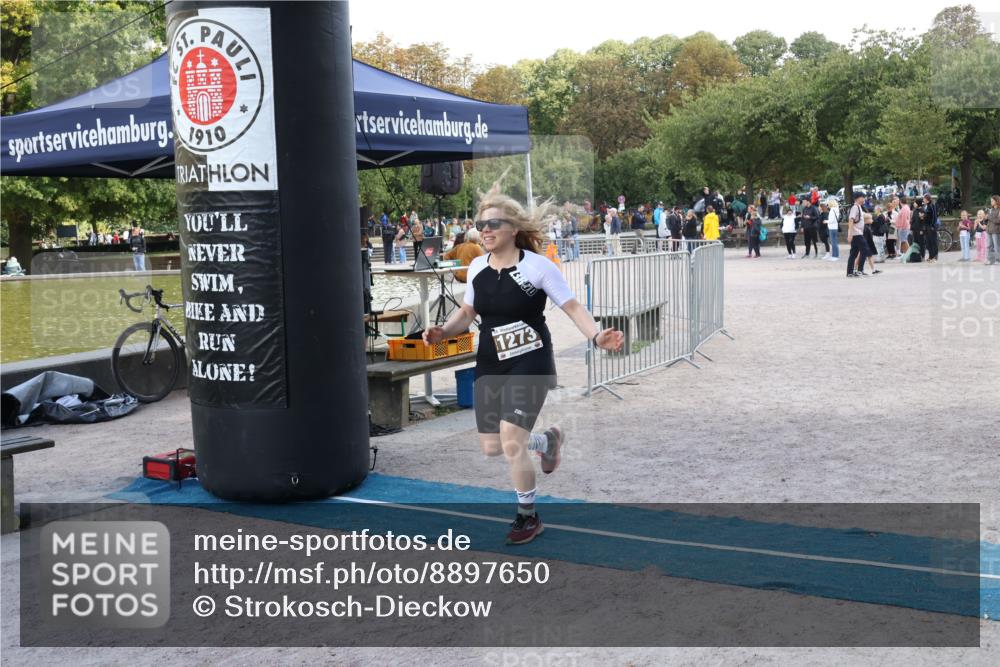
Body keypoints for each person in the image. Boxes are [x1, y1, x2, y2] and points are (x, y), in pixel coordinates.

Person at [423, 185, 624, 545]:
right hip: (490, 363)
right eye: (480, 224)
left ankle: (527, 517)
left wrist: (595, 336)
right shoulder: (477, 268)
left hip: (531, 361)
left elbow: (573, 307)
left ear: (513, 228)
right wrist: (442, 332)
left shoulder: (537, 267)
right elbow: (467, 312)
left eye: (493, 224)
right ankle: (548, 442)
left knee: (511, 440)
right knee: (492, 446)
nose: (485, 230)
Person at [846, 193, 869, 277]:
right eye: (862, 197)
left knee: (854, 253)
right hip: (856, 233)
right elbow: (851, 220)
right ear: (857, 198)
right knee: (865, 249)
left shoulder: (859, 207)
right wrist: (850, 234)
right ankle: (860, 270)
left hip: (857, 233)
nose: (864, 199)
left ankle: (850, 272)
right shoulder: (855, 207)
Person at [922, 194, 939, 263]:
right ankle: (930, 256)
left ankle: (934, 256)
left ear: (927, 199)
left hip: (931, 226)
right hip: (927, 226)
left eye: (924, 199)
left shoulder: (932, 205)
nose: (923, 200)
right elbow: (927, 215)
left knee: (933, 242)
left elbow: (934, 217)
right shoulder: (927, 206)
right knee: (928, 242)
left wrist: (932, 226)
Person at [895, 196, 911, 261]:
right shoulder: (906, 207)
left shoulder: (904, 208)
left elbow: (904, 218)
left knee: (904, 240)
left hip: (903, 226)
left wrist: (901, 226)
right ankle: (905, 254)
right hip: (904, 226)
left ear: (901, 202)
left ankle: (908, 254)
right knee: (903, 241)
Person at [988, 195, 1000, 266]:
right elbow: (988, 219)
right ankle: (991, 260)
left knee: (996, 246)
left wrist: (989, 217)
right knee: (990, 246)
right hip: (989, 230)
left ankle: (998, 260)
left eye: (992, 201)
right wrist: (986, 217)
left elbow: (998, 221)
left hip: (996, 231)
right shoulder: (991, 210)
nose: (991, 202)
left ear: (996, 201)